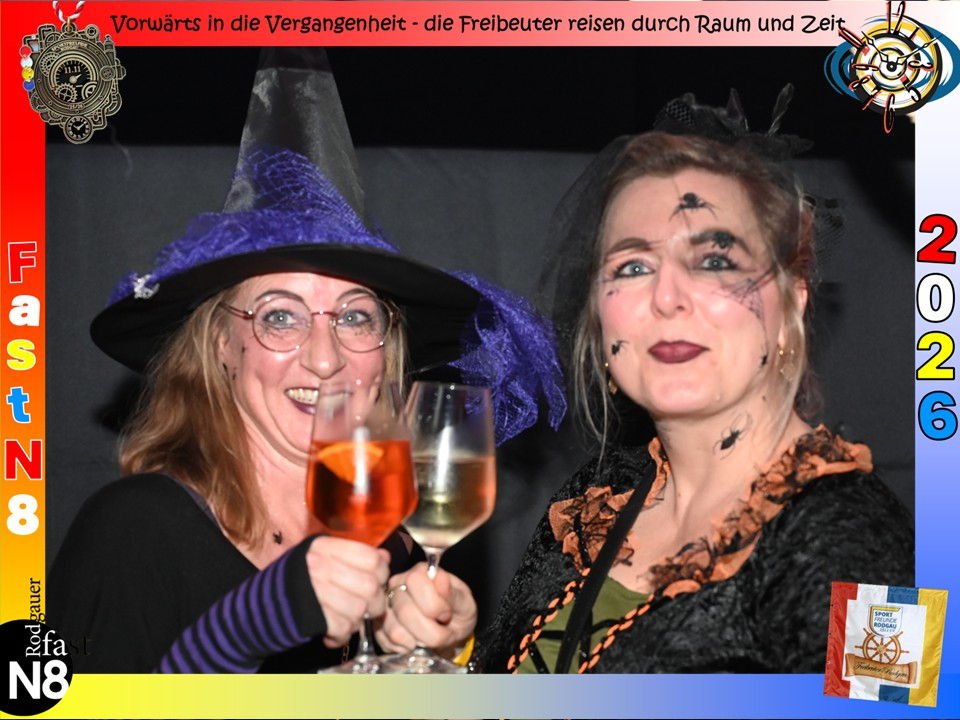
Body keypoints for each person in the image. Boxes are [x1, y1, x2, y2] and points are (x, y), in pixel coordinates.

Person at [47, 148, 565, 673]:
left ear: (387, 350)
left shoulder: (391, 547)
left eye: (355, 317)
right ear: (221, 345)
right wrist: (255, 621)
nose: (324, 359)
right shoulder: (133, 530)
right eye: (279, 317)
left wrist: (437, 653)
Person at [476, 91, 914, 674]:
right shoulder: (600, 495)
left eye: (714, 262)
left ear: (791, 304)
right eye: (633, 266)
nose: (667, 297)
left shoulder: (867, 541)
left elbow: (902, 702)